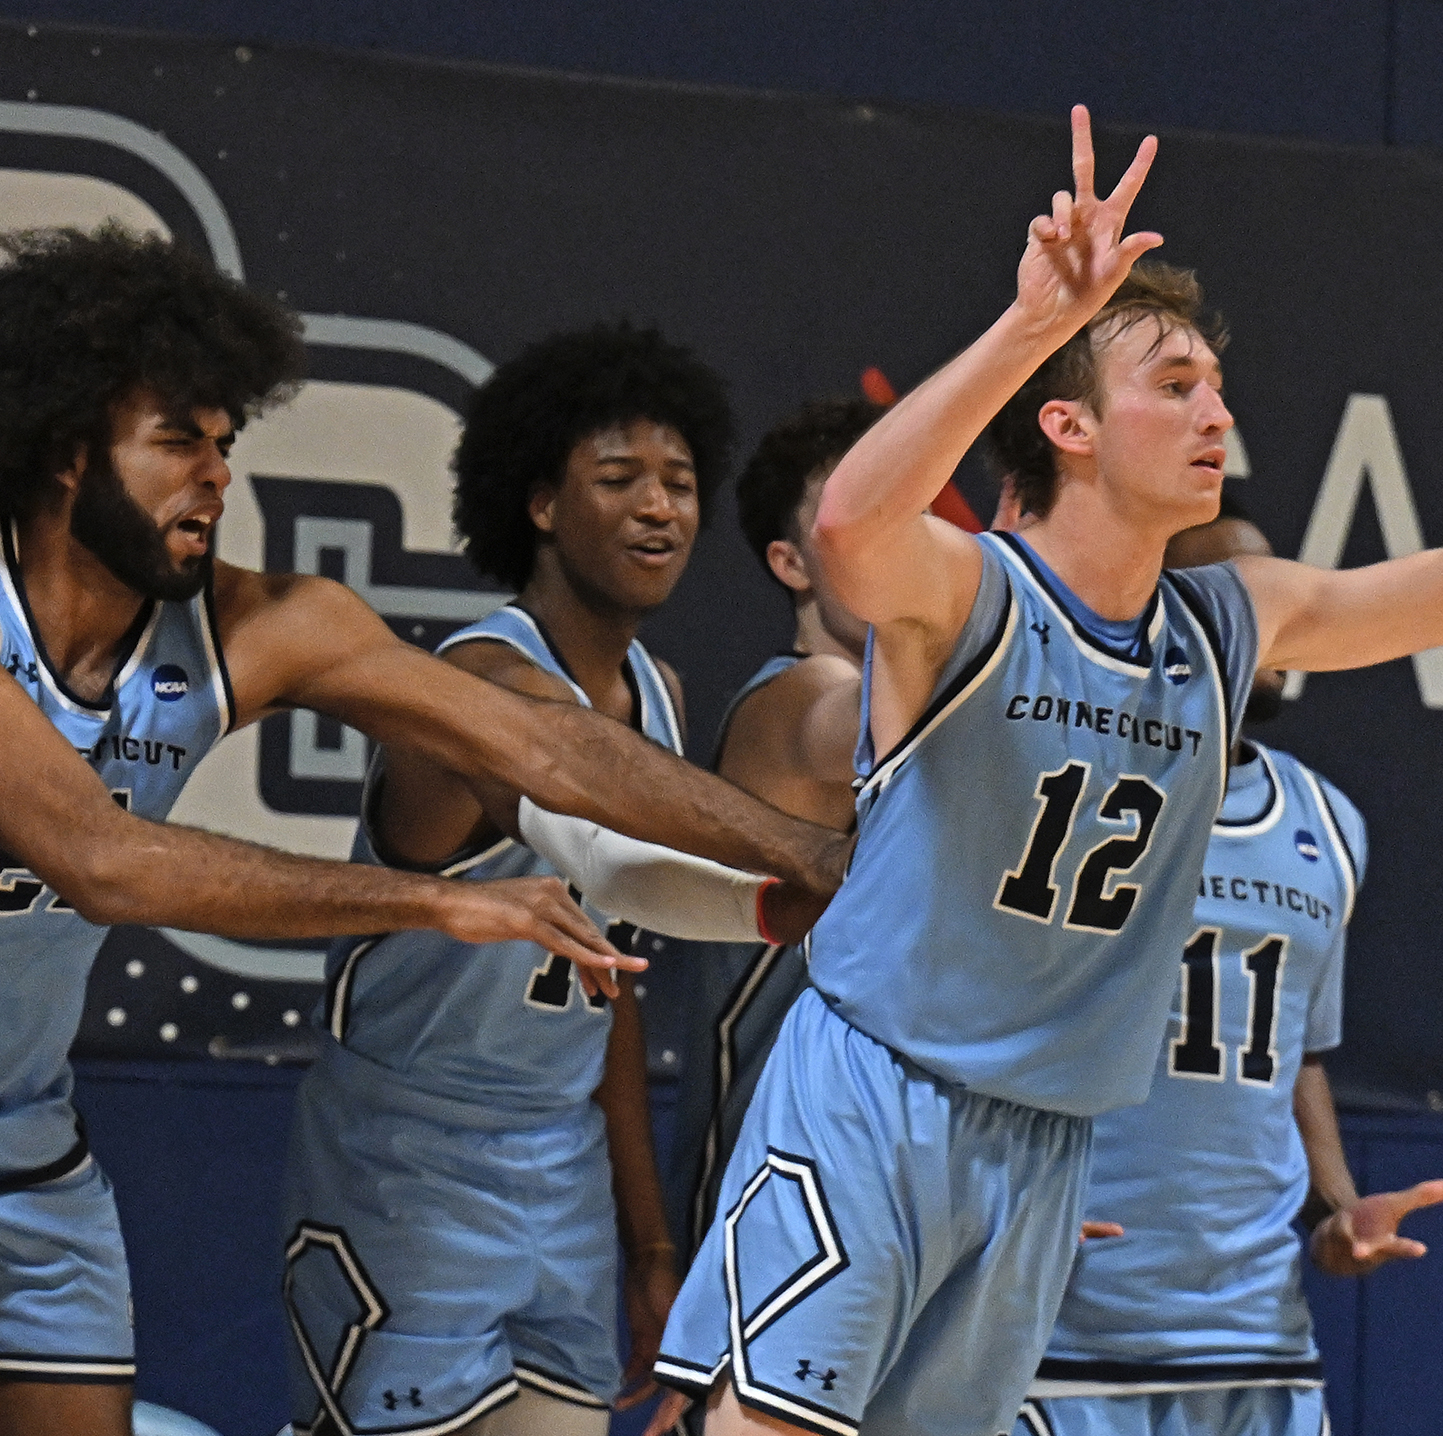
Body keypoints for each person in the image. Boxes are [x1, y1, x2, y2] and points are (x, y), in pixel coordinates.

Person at [654, 107, 1443, 1436]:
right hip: (875, 1090)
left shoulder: (1224, 622)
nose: (1217, 410)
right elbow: (858, 523)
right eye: (1173, 384)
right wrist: (1032, 320)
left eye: (1215, 382)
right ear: (1070, 427)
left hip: (1039, 1142)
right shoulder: (970, 594)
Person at [0, 226, 844, 1436]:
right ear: (68, 452)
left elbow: (542, 748)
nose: (216, 479)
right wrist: (434, 899)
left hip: (30, 1136)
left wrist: (805, 860)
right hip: (410, 1160)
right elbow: (102, 859)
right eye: (179, 442)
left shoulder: (264, 620)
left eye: (226, 444)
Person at [279, 325, 755, 1436]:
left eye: (681, 483)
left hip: (564, 1165)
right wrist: (788, 871)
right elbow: (569, 791)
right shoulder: (476, 683)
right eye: (620, 478)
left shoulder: (660, 691)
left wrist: (647, 1240)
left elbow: (614, 980)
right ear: (539, 502)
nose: (660, 508)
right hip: (407, 1154)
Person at [1011, 504, 1443, 1436]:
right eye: (1246, 604)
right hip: (1067, 1327)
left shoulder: (1329, 825)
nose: (1280, 626)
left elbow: (1301, 1054)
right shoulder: (1066, 787)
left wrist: (1339, 1208)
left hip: (1258, 1333)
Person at [662, 395, 876, 1266]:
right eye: (863, 516)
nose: (899, 540)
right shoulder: (797, 697)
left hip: (886, 1167)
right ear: (791, 563)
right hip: (767, 1177)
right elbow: (870, 725)